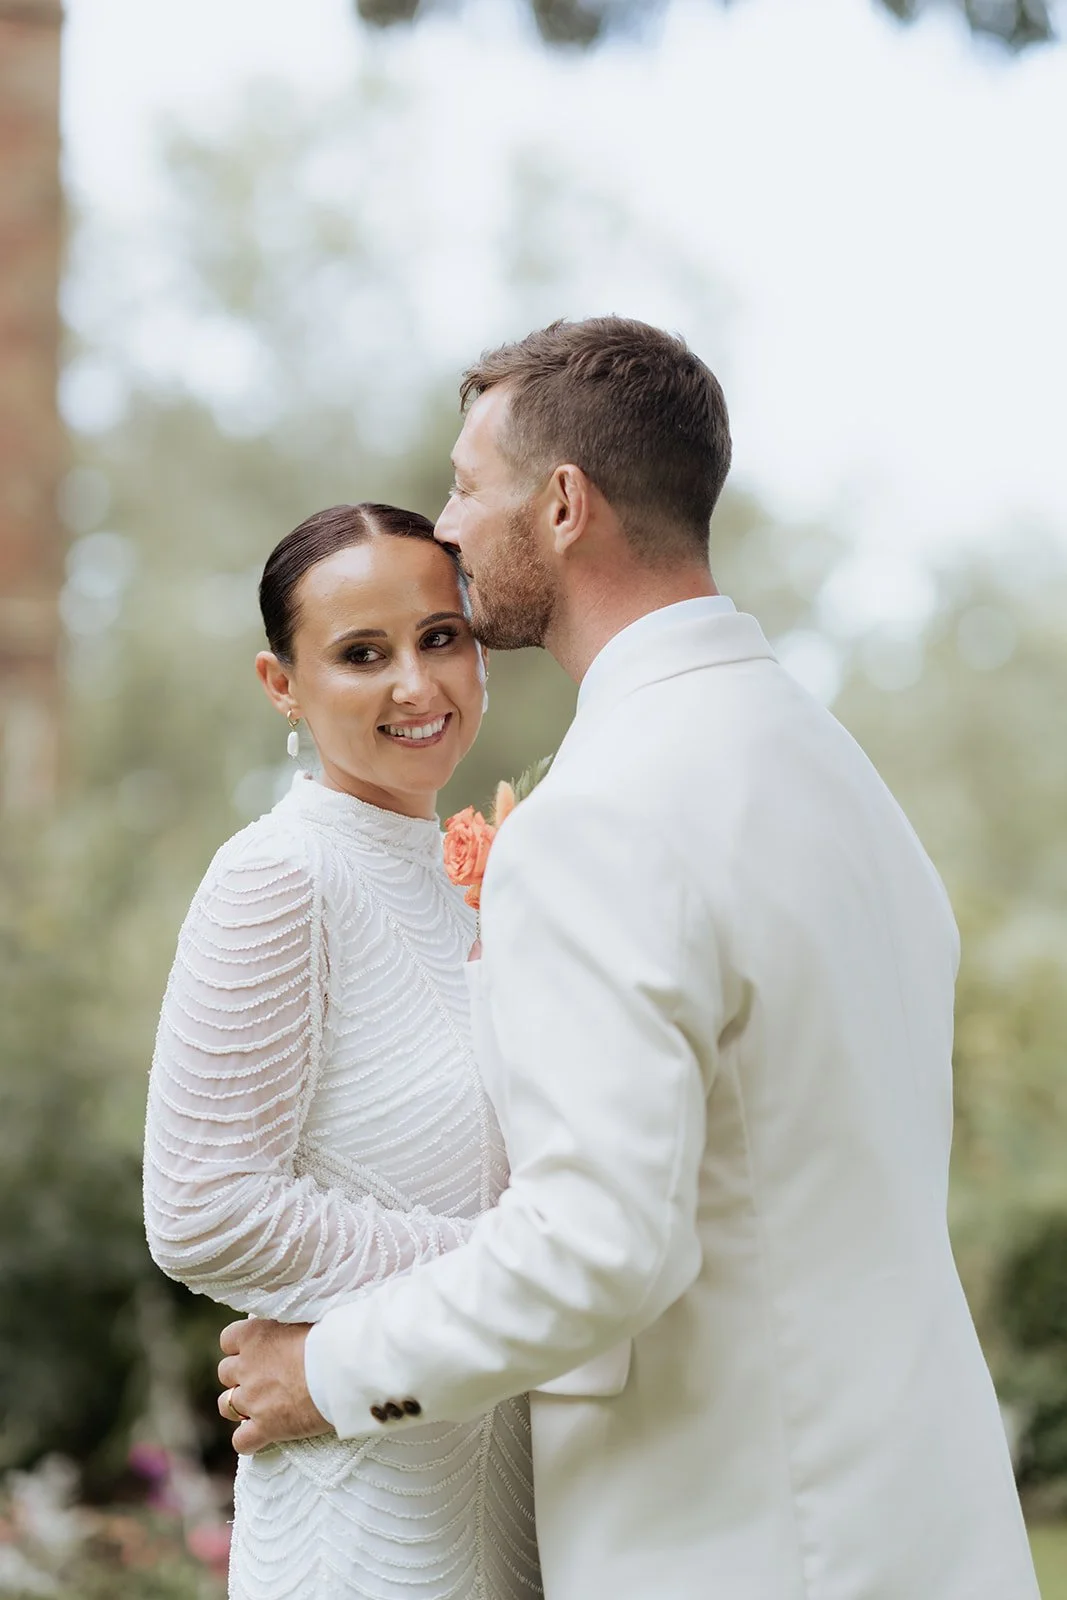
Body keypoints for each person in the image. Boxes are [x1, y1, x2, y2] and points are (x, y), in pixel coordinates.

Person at [217, 319, 1039, 1600]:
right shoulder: (833, 768)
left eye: (465, 485)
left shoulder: (599, 815)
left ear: (559, 504)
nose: (444, 524)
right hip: (920, 1524)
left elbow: (598, 1245)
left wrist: (323, 1370)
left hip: (739, 1542)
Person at [143, 503, 543, 1599]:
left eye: (440, 636)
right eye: (362, 654)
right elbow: (201, 1206)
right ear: (283, 684)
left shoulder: (490, 880)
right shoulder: (277, 878)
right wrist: (513, 1266)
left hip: (518, 1488)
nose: (416, 685)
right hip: (365, 1516)